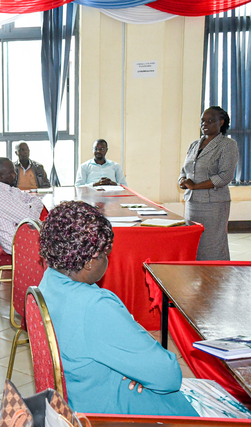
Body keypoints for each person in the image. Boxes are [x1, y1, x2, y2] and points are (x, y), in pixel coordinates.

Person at [38, 200, 197, 416]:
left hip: (78, 397)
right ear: (89, 262)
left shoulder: (48, 281)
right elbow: (169, 376)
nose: (108, 259)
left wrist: (131, 364)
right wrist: (137, 362)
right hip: (109, 411)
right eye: (105, 254)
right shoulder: (95, 307)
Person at [179, 106, 238, 261]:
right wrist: (182, 181)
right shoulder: (194, 145)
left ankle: (216, 274)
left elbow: (225, 176)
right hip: (192, 203)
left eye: (210, 121)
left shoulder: (227, 145)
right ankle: (196, 272)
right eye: (202, 121)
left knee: (212, 244)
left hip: (214, 204)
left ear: (221, 122)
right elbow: (184, 170)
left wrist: (195, 186)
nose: (204, 124)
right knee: (193, 242)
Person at [0, 157, 43, 254]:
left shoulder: (5, 188)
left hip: (25, 235)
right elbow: (32, 217)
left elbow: (35, 200)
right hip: (19, 244)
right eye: (11, 173)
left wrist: (29, 208)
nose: (15, 175)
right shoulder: (0, 196)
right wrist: (30, 208)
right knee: (62, 238)